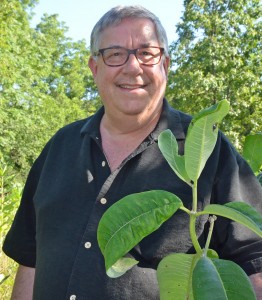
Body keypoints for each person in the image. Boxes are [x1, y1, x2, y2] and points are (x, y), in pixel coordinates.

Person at [3, 5, 262, 300]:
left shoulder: (207, 149)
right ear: (94, 67)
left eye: (147, 53)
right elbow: (30, 259)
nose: (133, 67)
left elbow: (255, 261)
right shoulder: (59, 149)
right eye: (115, 54)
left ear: (164, 65)